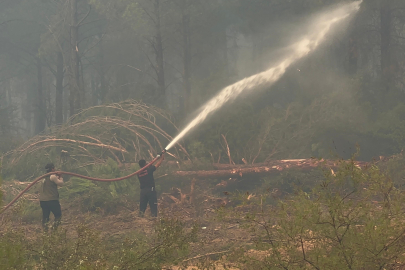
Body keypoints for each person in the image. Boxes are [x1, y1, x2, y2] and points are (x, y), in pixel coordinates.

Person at [39, 163, 64, 231]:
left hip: (43, 201)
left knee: (45, 217)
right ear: (52, 168)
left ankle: (45, 232)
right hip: (52, 200)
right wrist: (60, 176)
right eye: (54, 168)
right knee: (58, 215)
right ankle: (53, 230)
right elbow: (61, 183)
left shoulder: (43, 177)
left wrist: (57, 176)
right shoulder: (52, 176)